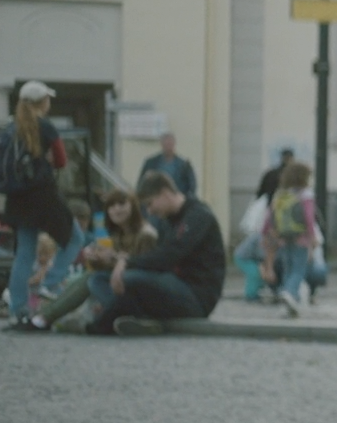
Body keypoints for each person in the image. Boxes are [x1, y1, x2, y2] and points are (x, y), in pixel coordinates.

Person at [88, 171, 225, 336]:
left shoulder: (198, 216)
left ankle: (114, 318)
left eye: (150, 203)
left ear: (165, 194)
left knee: (128, 278)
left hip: (195, 296)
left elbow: (168, 256)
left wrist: (127, 263)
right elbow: (155, 257)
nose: (150, 211)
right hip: (169, 286)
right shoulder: (167, 221)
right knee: (97, 280)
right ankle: (135, 317)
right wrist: (117, 261)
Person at [0, 81, 80, 330]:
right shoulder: (45, 126)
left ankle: (18, 308)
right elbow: (61, 160)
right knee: (74, 238)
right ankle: (51, 283)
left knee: (24, 252)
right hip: (44, 196)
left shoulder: (11, 127)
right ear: (42, 102)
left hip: (17, 198)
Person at [19, 191, 160, 332]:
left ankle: (44, 318)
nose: (117, 209)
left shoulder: (145, 234)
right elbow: (117, 266)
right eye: (111, 206)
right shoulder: (118, 233)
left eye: (122, 204)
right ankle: (45, 316)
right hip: (123, 287)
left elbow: (141, 269)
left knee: (92, 279)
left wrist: (113, 259)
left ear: (133, 206)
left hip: (139, 293)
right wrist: (98, 259)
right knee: (92, 277)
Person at [260, 161, 319, 316]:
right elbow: (309, 217)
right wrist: (313, 236)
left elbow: (269, 216)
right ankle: (289, 293)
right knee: (299, 270)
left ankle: (289, 305)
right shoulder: (306, 195)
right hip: (301, 238)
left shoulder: (280, 194)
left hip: (283, 237)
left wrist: (265, 233)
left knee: (288, 269)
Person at [139, 132, 197, 201]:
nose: (168, 147)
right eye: (166, 144)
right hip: (156, 203)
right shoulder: (151, 163)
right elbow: (142, 184)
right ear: (161, 145)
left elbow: (191, 188)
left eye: (170, 144)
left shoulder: (184, 165)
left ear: (174, 144)